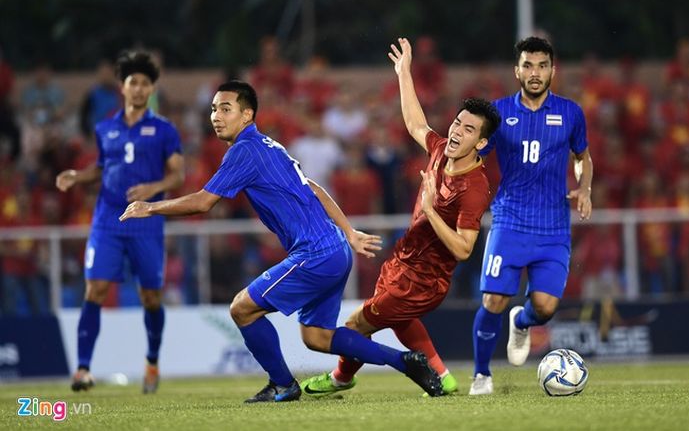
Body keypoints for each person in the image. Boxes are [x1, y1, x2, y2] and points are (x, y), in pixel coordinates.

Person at [119, 79, 443, 403]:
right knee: (317, 337)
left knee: (242, 309)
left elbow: (204, 202)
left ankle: (282, 384)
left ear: (247, 115)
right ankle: (405, 361)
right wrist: (348, 232)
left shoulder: (243, 151)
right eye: (214, 109)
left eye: (226, 109)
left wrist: (151, 207)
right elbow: (313, 187)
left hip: (315, 253)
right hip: (335, 250)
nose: (216, 116)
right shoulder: (270, 145)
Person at [300, 38, 501, 397]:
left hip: (425, 280)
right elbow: (414, 123)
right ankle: (443, 375)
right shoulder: (441, 150)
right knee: (399, 321)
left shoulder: (473, 188)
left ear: (482, 143)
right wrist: (403, 73)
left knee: (355, 325)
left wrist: (428, 211)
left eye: (469, 130)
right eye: (458, 123)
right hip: (403, 261)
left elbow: (464, 249)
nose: (456, 132)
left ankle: (340, 378)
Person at [55, 50, 185, 394]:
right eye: (133, 82)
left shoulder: (164, 130)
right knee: (94, 290)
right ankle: (82, 370)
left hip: (146, 222)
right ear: (122, 87)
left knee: (151, 298)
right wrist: (77, 177)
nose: (139, 89)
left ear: (152, 88)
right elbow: (102, 169)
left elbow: (177, 175)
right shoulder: (105, 128)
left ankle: (152, 361)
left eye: (145, 83)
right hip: (107, 221)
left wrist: (154, 188)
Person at [469, 36, 593, 395]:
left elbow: (582, 157)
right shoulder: (497, 113)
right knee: (493, 299)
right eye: (528, 65)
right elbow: (475, 155)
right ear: (517, 71)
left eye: (541, 65)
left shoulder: (571, 112)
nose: (535, 73)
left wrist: (584, 189)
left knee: (544, 307)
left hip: (553, 226)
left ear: (553, 70)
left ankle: (521, 323)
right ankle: (482, 375)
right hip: (509, 220)